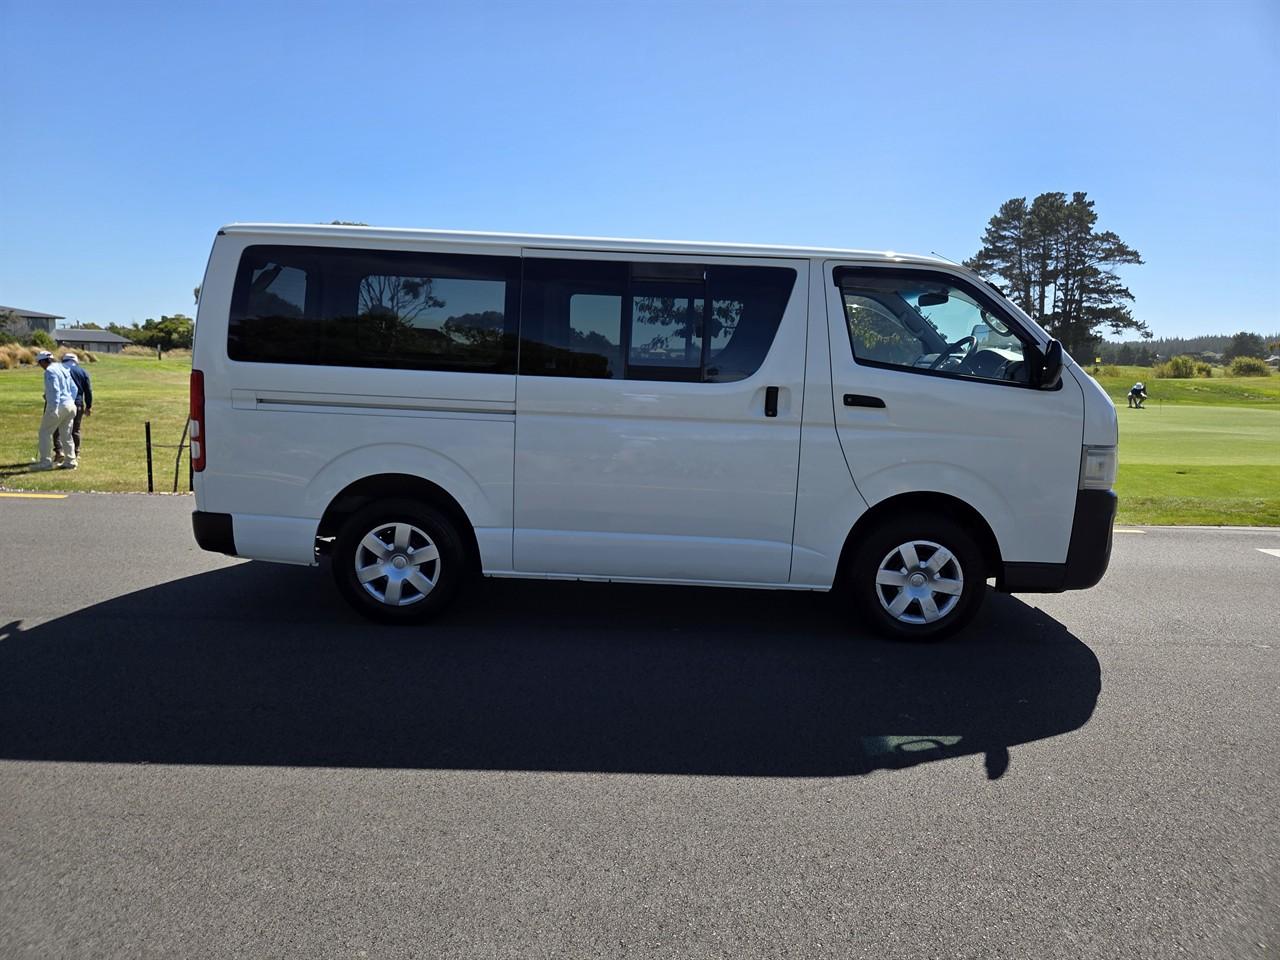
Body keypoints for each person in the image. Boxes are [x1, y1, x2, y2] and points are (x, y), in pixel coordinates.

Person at [33, 351, 78, 471]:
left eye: (39, 363)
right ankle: (71, 461)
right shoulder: (62, 368)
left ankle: (45, 462)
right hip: (70, 405)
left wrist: (53, 408)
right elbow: (74, 388)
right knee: (66, 434)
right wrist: (70, 401)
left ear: (43, 361)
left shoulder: (50, 371)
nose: (40, 366)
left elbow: (55, 390)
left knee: (44, 432)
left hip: (59, 406)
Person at [53, 351, 93, 461]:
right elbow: (88, 390)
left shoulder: (59, 371)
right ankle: (75, 452)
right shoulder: (82, 372)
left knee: (57, 428)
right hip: (77, 403)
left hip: (61, 402)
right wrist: (88, 406)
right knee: (75, 429)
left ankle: (59, 451)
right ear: (75, 361)